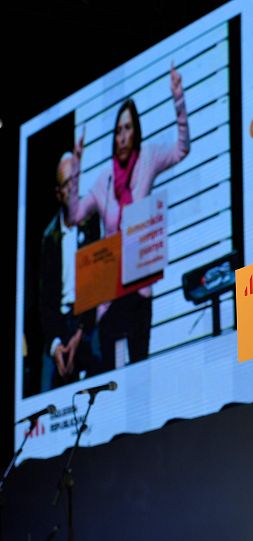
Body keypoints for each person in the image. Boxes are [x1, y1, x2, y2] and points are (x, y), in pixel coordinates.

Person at [68, 63, 190, 366]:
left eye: (127, 129)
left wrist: (178, 100)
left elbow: (181, 150)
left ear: (135, 131)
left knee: (139, 370)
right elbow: (73, 215)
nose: (122, 136)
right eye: (118, 131)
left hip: (139, 290)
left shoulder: (148, 158)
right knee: (112, 375)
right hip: (109, 298)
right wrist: (76, 168)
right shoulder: (104, 179)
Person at [39, 151, 102, 390]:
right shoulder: (49, 237)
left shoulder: (91, 221)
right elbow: (45, 301)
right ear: (58, 193)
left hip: (87, 320)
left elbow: (97, 282)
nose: (73, 189)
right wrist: (56, 345)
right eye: (68, 184)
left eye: (76, 181)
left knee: (97, 365)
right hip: (59, 324)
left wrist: (80, 331)